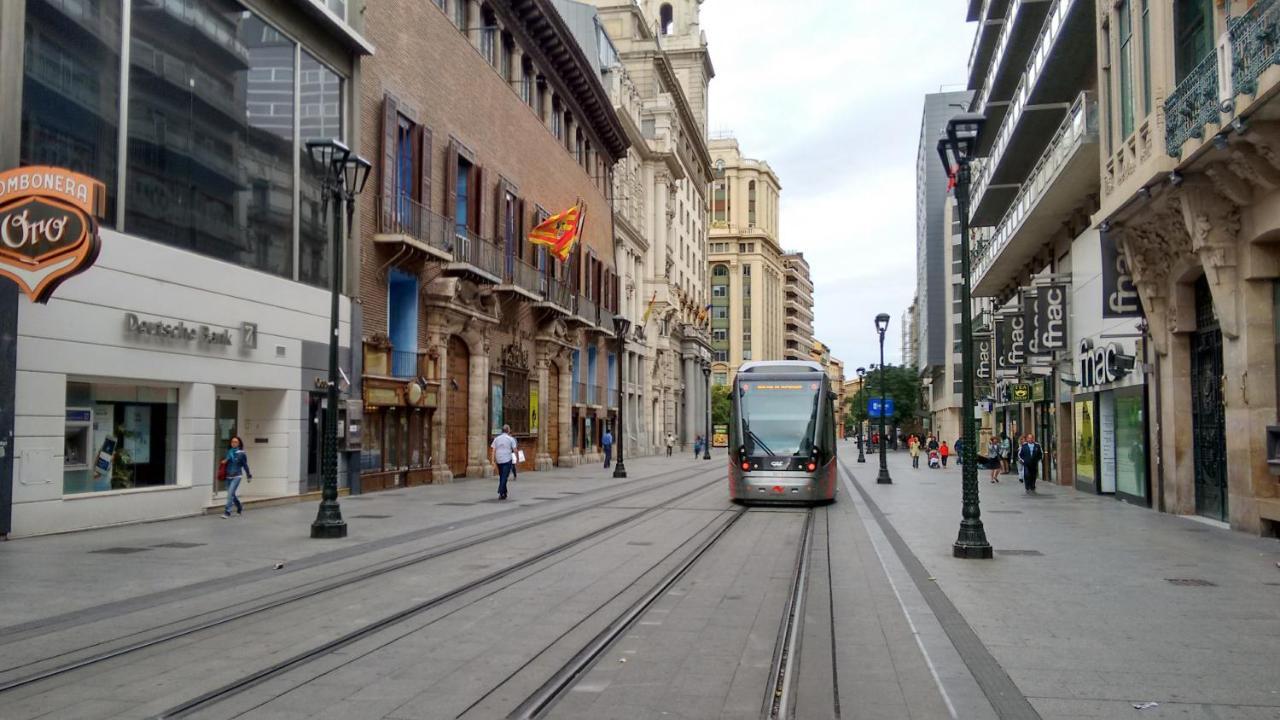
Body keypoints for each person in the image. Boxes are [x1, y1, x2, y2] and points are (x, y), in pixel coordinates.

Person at [221, 436, 252, 518]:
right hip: (228, 476)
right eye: (232, 442)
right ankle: (239, 507)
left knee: (230, 494)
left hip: (237, 476)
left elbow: (245, 465)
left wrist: (249, 475)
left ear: (239, 443)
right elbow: (226, 463)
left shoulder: (242, 453)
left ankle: (227, 512)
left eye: (235, 442)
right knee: (232, 494)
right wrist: (224, 461)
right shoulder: (229, 452)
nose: (233, 443)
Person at [490, 424, 518, 500]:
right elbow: (515, 450)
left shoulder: (497, 439)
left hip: (499, 459)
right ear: (508, 431)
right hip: (507, 459)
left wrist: (493, 460)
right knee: (505, 476)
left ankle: (504, 493)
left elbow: (493, 450)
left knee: (502, 475)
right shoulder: (510, 439)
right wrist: (517, 458)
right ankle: (500, 490)